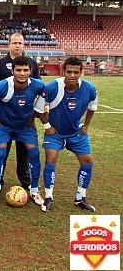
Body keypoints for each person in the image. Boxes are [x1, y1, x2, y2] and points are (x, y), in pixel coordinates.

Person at [36, 57, 98, 212]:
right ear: (63, 71)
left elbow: (92, 108)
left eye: (76, 72)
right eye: (69, 71)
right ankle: (49, 197)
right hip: (55, 133)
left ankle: (80, 197)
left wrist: (86, 126)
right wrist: (47, 125)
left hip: (76, 132)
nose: (72, 75)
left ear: (81, 73)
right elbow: (38, 109)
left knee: (87, 161)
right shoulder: (52, 87)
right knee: (51, 159)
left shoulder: (89, 88)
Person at [0, 56, 45, 206]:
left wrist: (34, 117)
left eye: (25, 70)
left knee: (34, 153)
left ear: (30, 71)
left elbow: (45, 96)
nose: (22, 73)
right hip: (3, 126)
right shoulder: (3, 86)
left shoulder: (38, 86)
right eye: (18, 70)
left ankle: (34, 190)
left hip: (25, 127)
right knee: (1, 153)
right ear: (13, 71)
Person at [0, 32, 41, 191]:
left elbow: (38, 90)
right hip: (4, 119)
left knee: (24, 153)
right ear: (9, 44)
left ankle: (26, 180)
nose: (17, 45)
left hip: (24, 121)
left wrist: (34, 116)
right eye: (14, 42)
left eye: (20, 43)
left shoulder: (31, 63)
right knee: (1, 151)